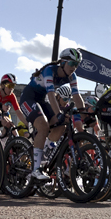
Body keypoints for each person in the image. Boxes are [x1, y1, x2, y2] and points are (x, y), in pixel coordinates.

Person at [19, 48, 86, 181]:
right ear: (63, 62)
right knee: (44, 125)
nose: (74, 68)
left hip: (42, 99)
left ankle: (44, 149)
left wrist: (84, 113)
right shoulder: (50, 70)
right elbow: (51, 94)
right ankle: (35, 170)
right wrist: (58, 113)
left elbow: (76, 95)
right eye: (72, 64)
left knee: (64, 123)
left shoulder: (72, 76)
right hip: (28, 97)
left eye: (77, 65)